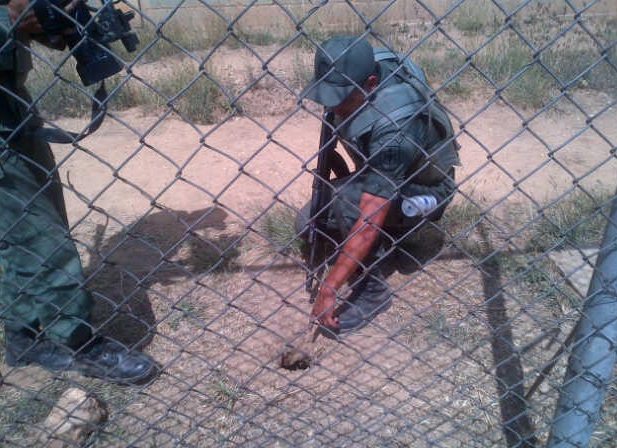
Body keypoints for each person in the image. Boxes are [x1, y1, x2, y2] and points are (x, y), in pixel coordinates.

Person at [1, 0, 158, 383]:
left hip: (9, 98)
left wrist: (55, 18)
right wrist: (9, 20)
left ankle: (23, 334)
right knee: (41, 233)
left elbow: (27, 19)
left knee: (21, 227)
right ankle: (76, 342)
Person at [299, 35, 459, 334]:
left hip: (423, 192)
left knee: (347, 199)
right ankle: (379, 246)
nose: (332, 107)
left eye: (340, 99)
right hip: (389, 177)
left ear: (371, 82)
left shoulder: (394, 128)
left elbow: (369, 219)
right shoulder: (359, 69)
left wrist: (330, 286)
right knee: (307, 222)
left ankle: (373, 290)